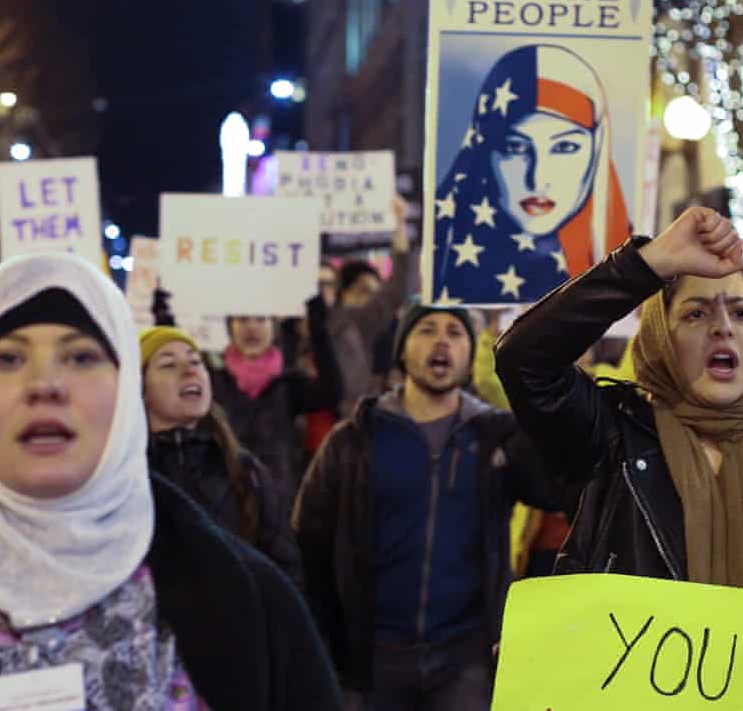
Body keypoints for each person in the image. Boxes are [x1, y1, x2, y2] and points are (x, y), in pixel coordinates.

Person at [0, 252, 342, 710]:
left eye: (81, 357)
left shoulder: (254, 605)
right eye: (7, 358)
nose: (44, 385)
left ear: (127, 393)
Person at [495, 209, 743, 637]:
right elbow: (525, 360)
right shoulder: (612, 441)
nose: (723, 328)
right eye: (696, 314)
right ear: (661, 339)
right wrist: (650, 262)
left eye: (742, 313)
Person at [293, 301, 559, 710]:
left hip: (466, 655)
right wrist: (324, 634)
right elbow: (308, 539)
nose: (441, 342)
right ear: (402, 350)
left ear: (471, 357)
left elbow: (558, 490)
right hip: (371, 655)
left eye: (455, 333)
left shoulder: (498, 437)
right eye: (426, 330)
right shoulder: (353, 440)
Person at [430, 44, 632, 304]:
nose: (537, 179)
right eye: (515, 147)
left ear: (597, 150)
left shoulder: (631, 263)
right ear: (484, 147)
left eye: (564, 147)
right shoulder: (443, 257)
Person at [140, 326, 304, 588]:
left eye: (196, 362)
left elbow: (285, 570)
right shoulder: (127, 476)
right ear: (141, 390)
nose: (189, 370)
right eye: (169, 365)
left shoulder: (246, 471)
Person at [211, 295, 342, 510]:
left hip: (279, 503)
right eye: (243, 319)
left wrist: (318, 329)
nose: (252, 327)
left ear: (273, 328)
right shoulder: (213, 382)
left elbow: (331, 392)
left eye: (261, 319)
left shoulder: (289, 383)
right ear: (230, 327)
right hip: (225, 501)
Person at [329, 197, 411, 417]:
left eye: (377, 292)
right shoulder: (333, 322)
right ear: (343, 295)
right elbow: (398, 283)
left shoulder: (390, 333)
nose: (375, 300)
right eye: (363, 291)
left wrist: (400, 225)